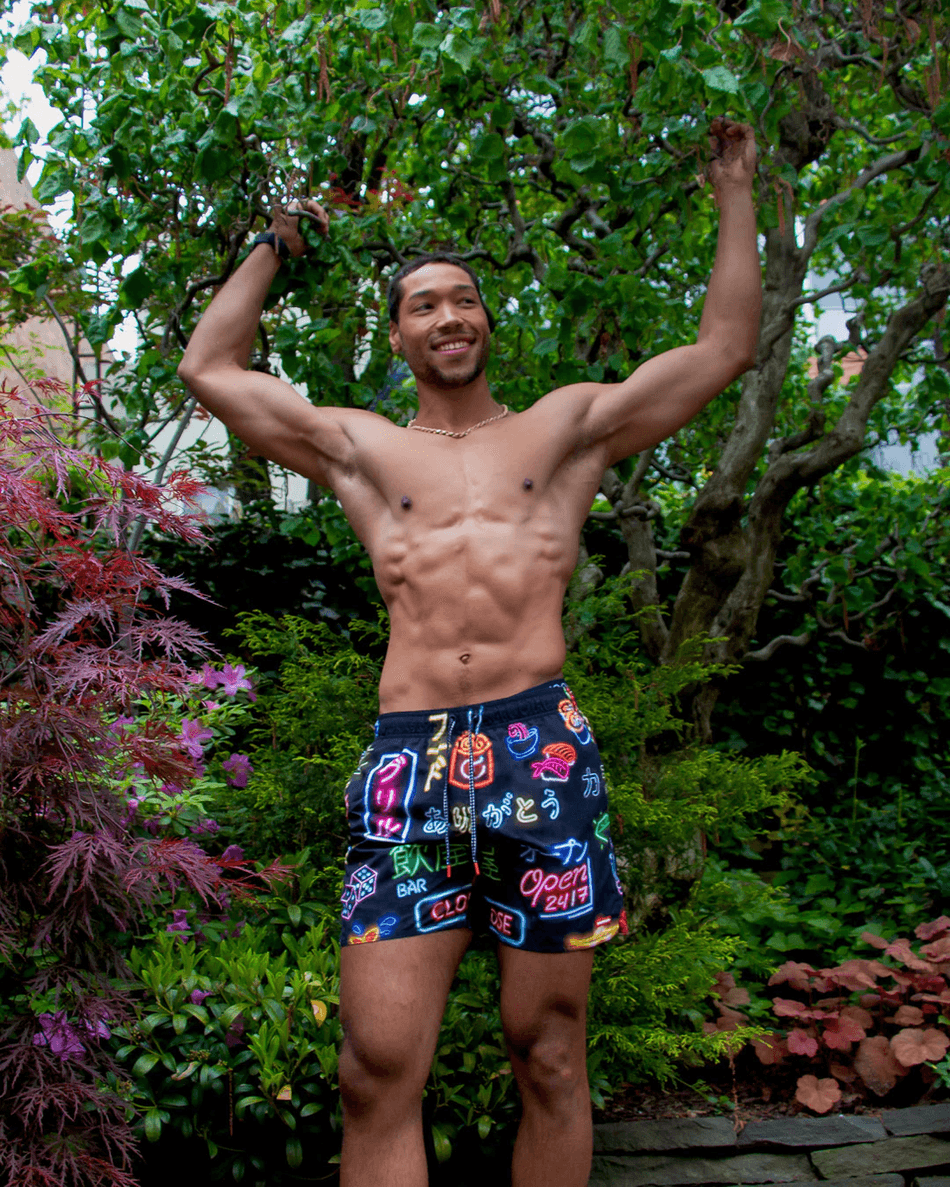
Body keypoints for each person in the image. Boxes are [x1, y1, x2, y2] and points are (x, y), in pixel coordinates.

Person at [178, 117, 761, 1187]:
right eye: (423, 304)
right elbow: (208, 365)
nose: (447, 315)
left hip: (539, 748)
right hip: (411, 762)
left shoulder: (566, 428)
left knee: (548, 1052)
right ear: (397, 336)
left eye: (463, 299)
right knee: (374, 1067)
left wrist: (734, 192)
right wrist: (275, 244)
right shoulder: (357, 446)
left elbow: (722, 348)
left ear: (486, 321)